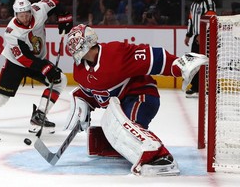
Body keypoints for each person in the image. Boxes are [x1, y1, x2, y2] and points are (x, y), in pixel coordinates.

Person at [64, 24, 208, 176]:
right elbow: (94, 94)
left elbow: (152, 57)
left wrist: (177, 65)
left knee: (127, 126)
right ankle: (116, 146)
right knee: (115, 124)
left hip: (142, 94)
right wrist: (83, 103)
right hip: (121, 102)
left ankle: (160, 156)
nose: (74, 49)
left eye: (76, 45)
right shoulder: (79, 70)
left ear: (87, 42)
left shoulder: (115, 54)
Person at [0, 0, 73, 133]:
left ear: (31, 10)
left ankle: (39, 114)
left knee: (60, 80)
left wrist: (64, 16)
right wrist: (46, 68)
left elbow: (54, 2)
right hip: (16, 64)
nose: (25, 18)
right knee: (0, 98)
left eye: (27, 14)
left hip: (37, 60)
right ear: (16, 15)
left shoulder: (39, 10)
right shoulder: (12, 32)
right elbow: (24, 58)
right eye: (22, 16)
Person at [184, 0, 216, 98]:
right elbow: (191, 20)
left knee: (207, 62)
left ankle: (211, 86)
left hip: (207, 37)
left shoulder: (208, 2)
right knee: (194, 63)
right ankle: (196, 86)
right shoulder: (193, 4)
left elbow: (211, 19)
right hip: (196, 38)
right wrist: (188, 35)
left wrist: (203, 35)